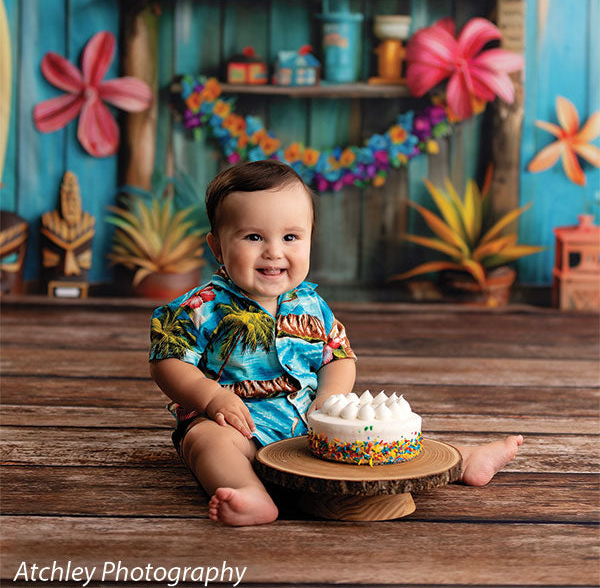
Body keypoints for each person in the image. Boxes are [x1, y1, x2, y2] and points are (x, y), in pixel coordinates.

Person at [149, 160, 522, 527]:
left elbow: (339, 357)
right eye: (253, 237)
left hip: (309, 427)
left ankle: (461, 460)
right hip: (237, 427)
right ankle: (248, 493)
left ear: (310, 238)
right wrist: (210, 397)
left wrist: (330, 398)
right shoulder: (200, 307)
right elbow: (168, 361)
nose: (274, 251)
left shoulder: (313, 306)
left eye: (290, 237)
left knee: (376, 434)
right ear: (217, 247)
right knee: (206, 443)